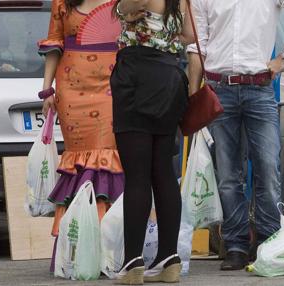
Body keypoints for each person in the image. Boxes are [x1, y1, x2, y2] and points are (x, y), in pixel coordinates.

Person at [188, 0, 284, 271]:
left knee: (267, 168)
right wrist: (193, 96)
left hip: (259, 87)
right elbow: (197, 45)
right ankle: (236, 245)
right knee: (228, 175)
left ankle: (268, 240)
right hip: (219, 86)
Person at [110, 0, 194, 284]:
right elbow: (190, 35)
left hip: (137, 75)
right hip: (170, 75)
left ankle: (133, 260)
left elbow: (129, 7)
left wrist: (124, 11)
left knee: (137, 175)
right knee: (163, 171)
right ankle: (168, 258)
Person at [37, 0, 124, 272]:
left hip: (114, 83)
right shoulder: (62, 3)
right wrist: (47, 89)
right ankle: (76, 253)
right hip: (72, 87)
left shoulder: (124, 3)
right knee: (78, 164)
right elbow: (54, 43)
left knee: (108, 158)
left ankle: (110, 251)